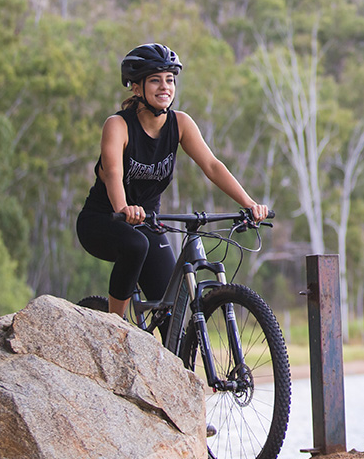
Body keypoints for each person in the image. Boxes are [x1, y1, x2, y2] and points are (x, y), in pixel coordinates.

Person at [76, 43, 269, 316]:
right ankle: (113, 323)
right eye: (155, 80)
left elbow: (212, 166)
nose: (164, 87)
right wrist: (123, 209)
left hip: (148, 222)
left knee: (171, 312)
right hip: (104, 220)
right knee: (135, 244)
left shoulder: (180, 123)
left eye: (170, 80)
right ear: (135, 87)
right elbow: (113, 174)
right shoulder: (118, 125)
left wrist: (249, 204)